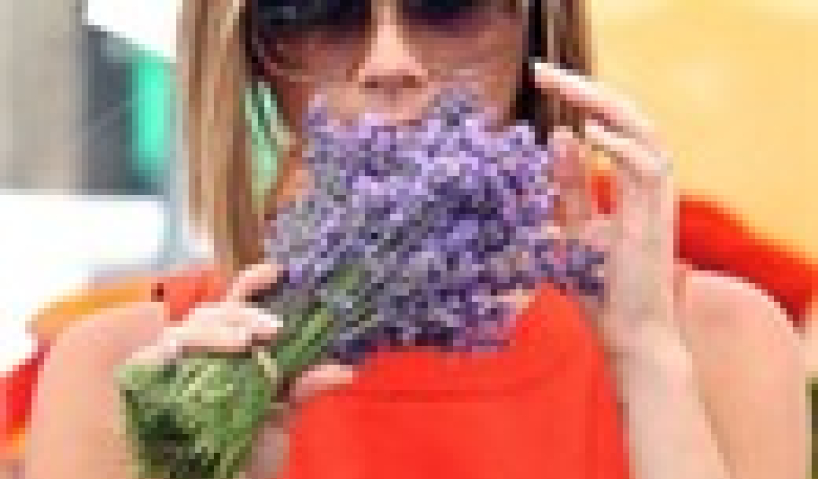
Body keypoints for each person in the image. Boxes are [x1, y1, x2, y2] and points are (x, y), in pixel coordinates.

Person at [23, 1, 813, 479]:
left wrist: (647, 365)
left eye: (450, 4)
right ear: (247, 52)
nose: (389, 62)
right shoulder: (129, 377)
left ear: (536, 29)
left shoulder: (717, 345)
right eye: (314, 10)